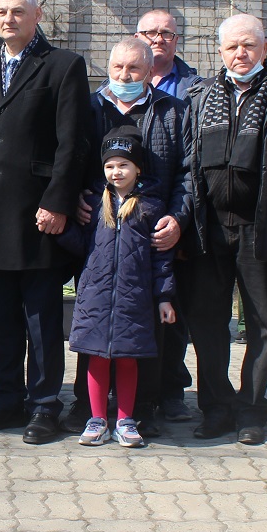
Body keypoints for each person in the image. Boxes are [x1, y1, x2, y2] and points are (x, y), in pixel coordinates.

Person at [178, 14, 267, 446]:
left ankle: (252, 410)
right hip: (209, 229)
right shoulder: (199, 94)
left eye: (249, 45)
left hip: (264, 227)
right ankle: (216, 408)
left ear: (264, 47)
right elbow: (188, 161)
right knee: (207, 323)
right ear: (219, 51)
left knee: (264, 324)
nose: (241, 54)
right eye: (232, 47)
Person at [0, 0, 90, 444]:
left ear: (38, 13)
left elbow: (72, 141)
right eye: (0, 12)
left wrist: (58, 201)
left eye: (18, 11)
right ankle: (4, 401)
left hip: (39, 215)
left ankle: (44, 405)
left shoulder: (62, 66)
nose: (8, 19)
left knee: (40, 320)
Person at [70, 37, 189, 434]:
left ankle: (140, 408)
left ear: (149, 70)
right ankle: (89, 409)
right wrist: (75, 199)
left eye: (134, 69)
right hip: (98, 228)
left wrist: (177, 217)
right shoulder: (89, 107)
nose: (124, 76)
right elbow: (71, 156)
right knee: (93, 324)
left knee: (143, 333)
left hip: (148, 229)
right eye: (118, 68)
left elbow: (187, 171)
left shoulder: (171, 111)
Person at [59, 127, 175, 450]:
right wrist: (59, 227)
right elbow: (82, 244)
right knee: (96, 361)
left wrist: (164, 297)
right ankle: (97, 420)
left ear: (138, 168)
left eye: (123, 165)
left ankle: (125, 420)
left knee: (127, 361)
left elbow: (159, 257)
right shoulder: (95, 203)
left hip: (133, 302)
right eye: (110, 165)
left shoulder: (150, 206)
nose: (116, 171)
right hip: (95, 300)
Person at [135, 9, 201, 100]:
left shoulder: (197, 88)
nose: (159, 40)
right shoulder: (117, 83)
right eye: (151, 33)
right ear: (137, 39)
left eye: (166, 33)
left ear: (176, 41)